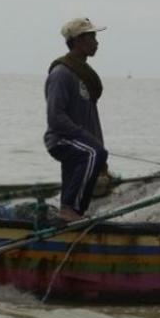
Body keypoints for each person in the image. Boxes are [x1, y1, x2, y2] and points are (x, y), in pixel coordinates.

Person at [44, 17, 110, 222]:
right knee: (92, 154)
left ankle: (74, 214)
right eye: (92, 37)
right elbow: (55, 116)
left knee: (95, 154)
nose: (96, 42)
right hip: (61, 138)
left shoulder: (84, 75)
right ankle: (69, 209)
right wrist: (90, 144)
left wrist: (98, 146)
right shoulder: (61, 73)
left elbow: (91, 119)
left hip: (79, 139)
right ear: (79, 40)